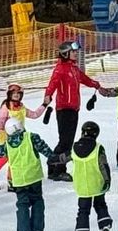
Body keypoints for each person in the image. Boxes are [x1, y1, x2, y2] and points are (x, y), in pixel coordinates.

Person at [0, 118, 56, 231]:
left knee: (22, 204)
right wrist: (54, 157)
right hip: (34, 177)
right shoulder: (31, 137)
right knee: (37, 201)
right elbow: (45, 149)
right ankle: (37, 228)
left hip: (19, 180)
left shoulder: (8, 144)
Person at [44, 41, 102, 181]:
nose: (76, 54)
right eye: (73, 52)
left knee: (66, 141)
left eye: (76, 52)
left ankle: (53, 164)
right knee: (66, 142)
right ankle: (58, 170)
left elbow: (83, 78)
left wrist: (95, 84)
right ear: (65, 53)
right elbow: (53, 83)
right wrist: (47, 95)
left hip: (74, 108)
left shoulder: (74, 69)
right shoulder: (61, 69)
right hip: (64, 109)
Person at [0, 84, 48, 191]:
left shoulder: (21, 107)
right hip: (6, 137)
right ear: (9, 95)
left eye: (18, 94)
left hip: (19, 138)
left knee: (15, 160)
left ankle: (12, 181)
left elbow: (34, 114)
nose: (16, 96)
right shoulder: (6, 106)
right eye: (14, 94)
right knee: (3, 158)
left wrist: (44, 105)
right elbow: (1, 121)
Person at [68, 121, 113, 231]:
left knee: (83, 211)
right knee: (100, 205)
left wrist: (54, 159)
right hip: (97, 183)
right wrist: (107, 180)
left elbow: (66, 157)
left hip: (82, 186)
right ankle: (104, 225)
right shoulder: (98, 148)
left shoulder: (74, 147)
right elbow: (103, 165)